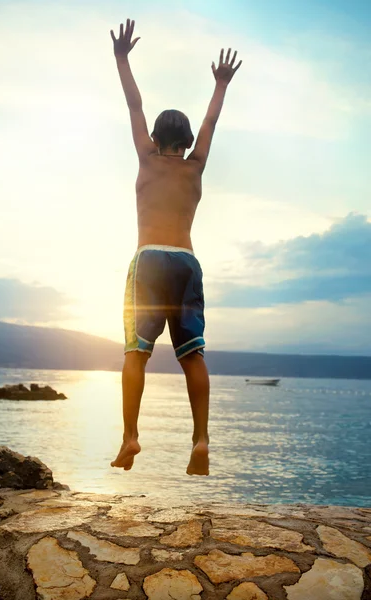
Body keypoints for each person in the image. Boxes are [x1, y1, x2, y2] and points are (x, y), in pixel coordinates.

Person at [110, 18, 242, 475]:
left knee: (136, 354)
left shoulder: (146, 157)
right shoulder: (196, 165)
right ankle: (201, 440)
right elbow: (211, 119)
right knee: (193, 356)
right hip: (186, 262)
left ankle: (130, 437)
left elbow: (134, 104)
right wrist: (220, 83)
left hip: (148, 261)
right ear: (185, 143)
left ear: (156, 139)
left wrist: (122, 58)